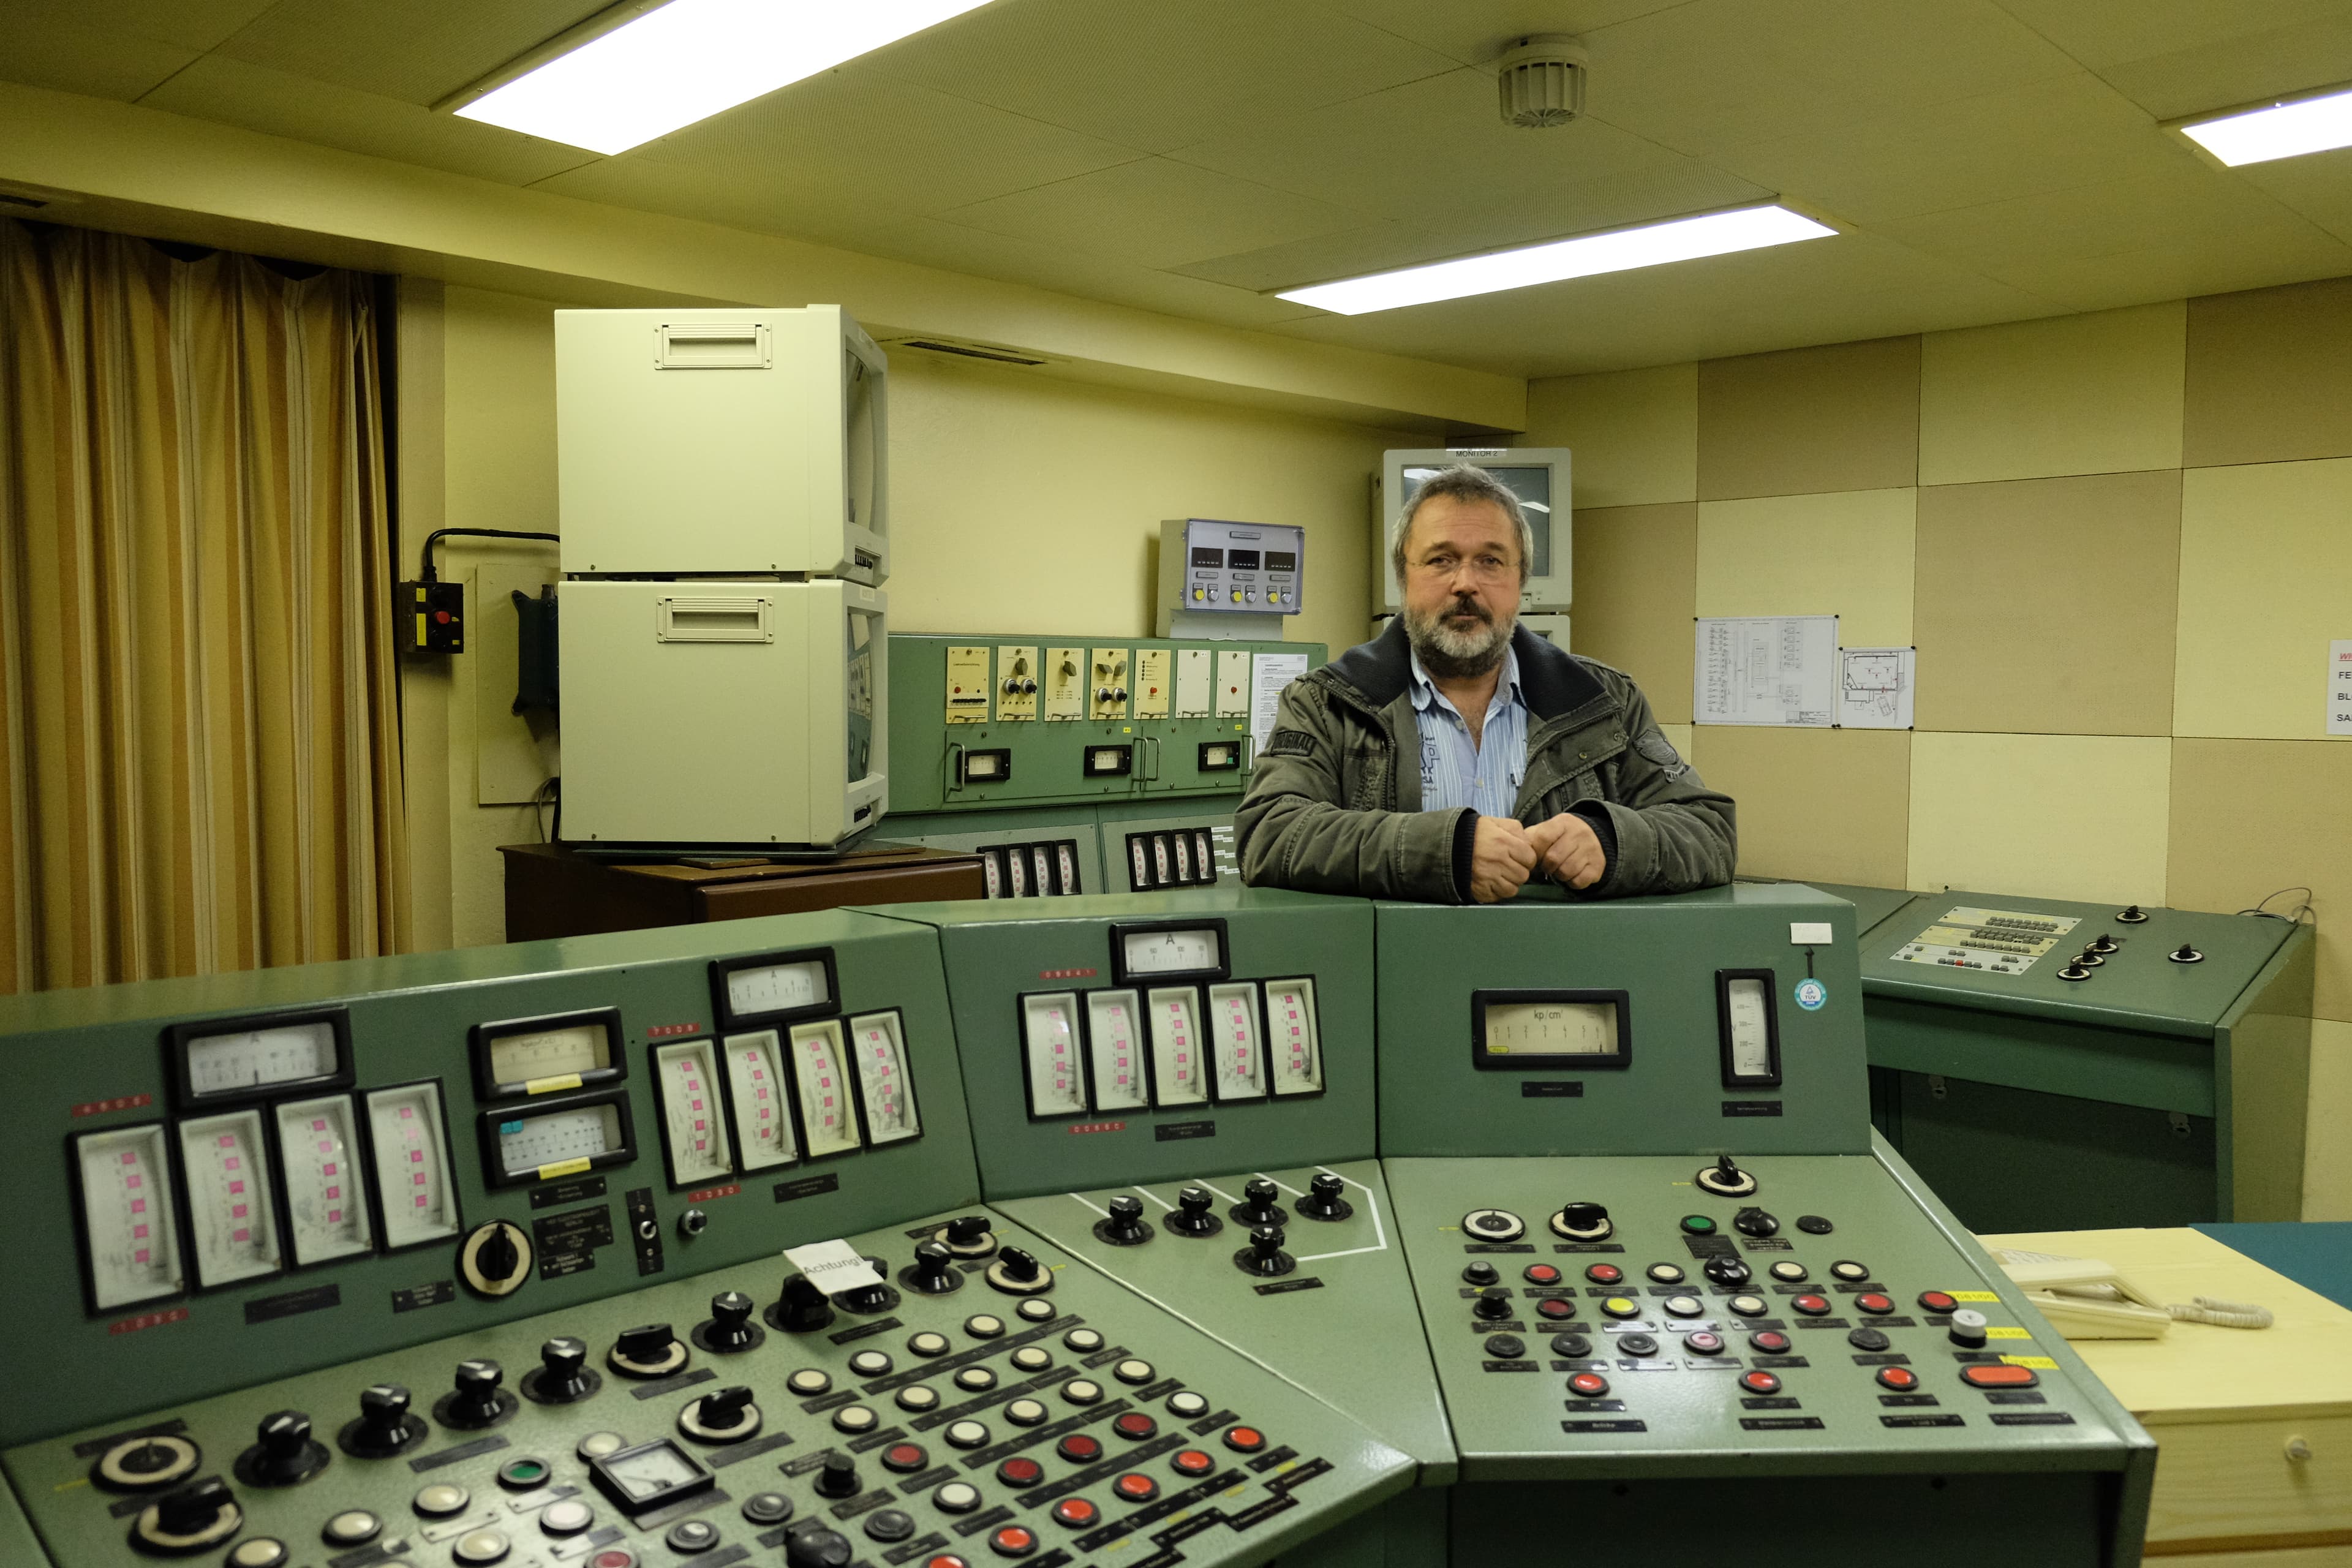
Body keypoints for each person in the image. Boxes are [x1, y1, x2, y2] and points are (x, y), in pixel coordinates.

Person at [1237, 463, 1735, 903]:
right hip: (1393, 979)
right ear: (1402, 580)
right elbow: (1270, 833)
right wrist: (1445, 852)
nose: (1466, 584)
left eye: (1491, 561)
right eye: (1441, 560)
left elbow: (1709, 831)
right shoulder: (1327, 703)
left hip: (1566, 981)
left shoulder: (1605, 701)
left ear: (1521, 582)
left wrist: (1612, 841)